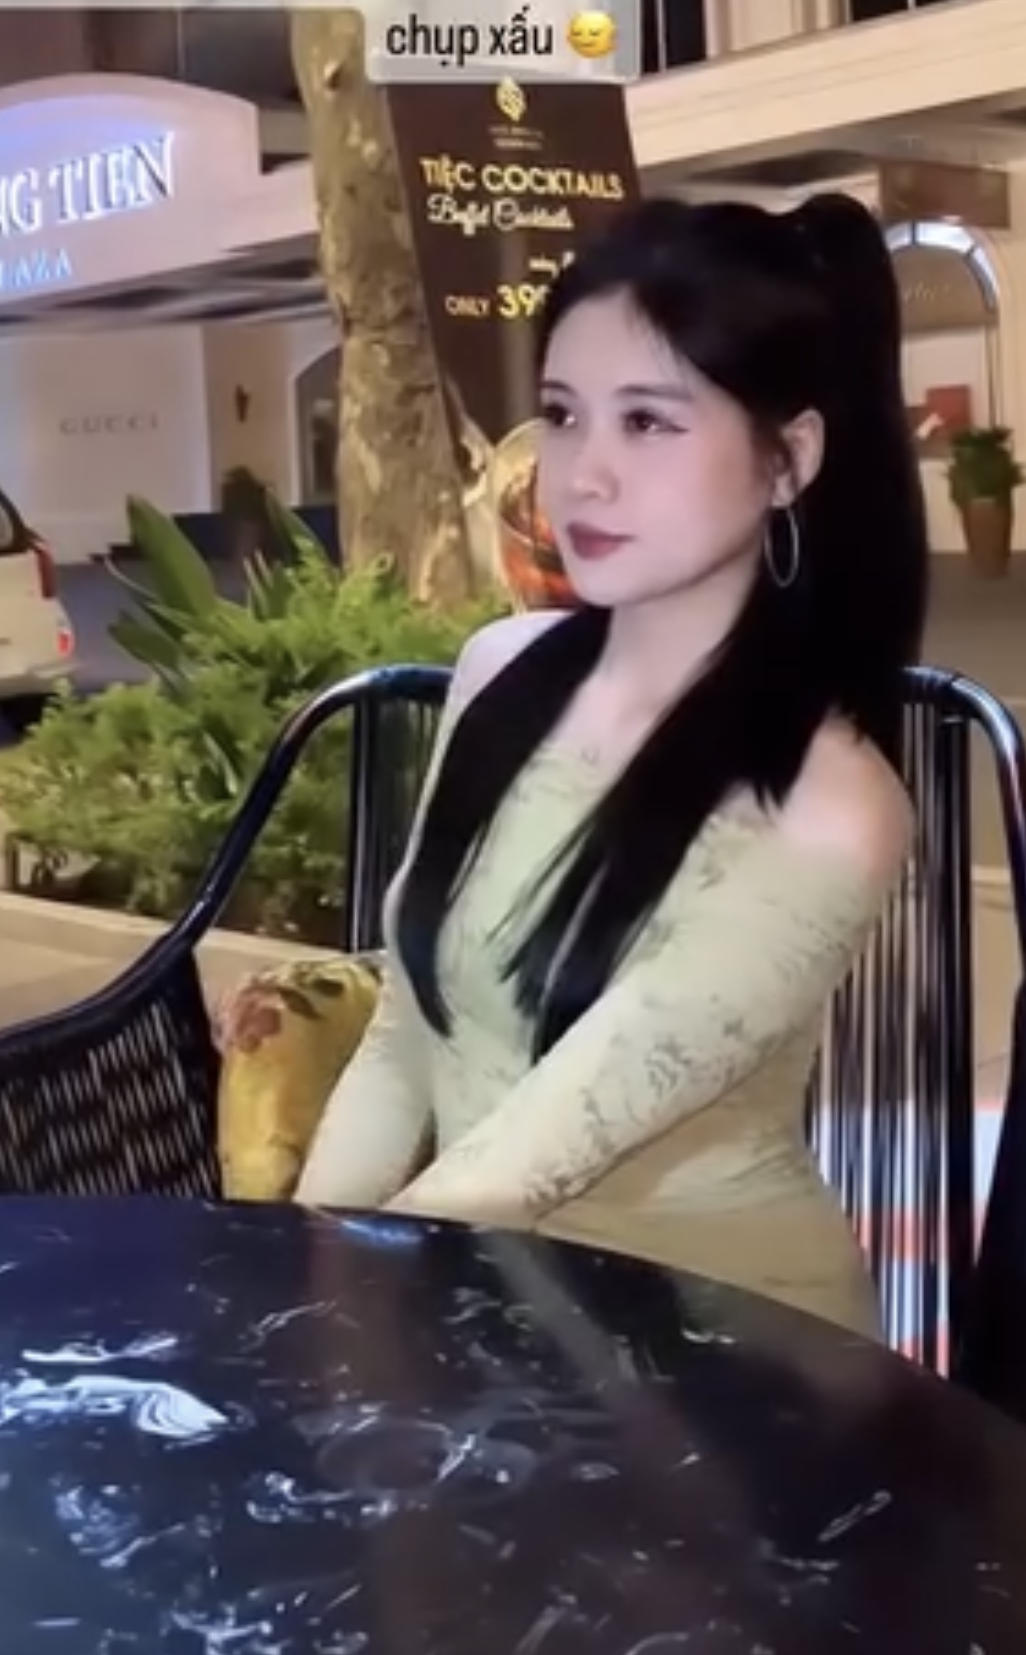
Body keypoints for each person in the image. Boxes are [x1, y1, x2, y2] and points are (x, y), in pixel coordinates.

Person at [294, 192, 929, 1337]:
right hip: (488, 1303)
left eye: (646, 421)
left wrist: (318, 1326)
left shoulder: (829, 804)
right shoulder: (499, 671)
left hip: (723, 1357)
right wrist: (301, 1258)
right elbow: (406, 1036)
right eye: (560, 413)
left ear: (787, 459)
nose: (580, 474)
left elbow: (523, 1167)